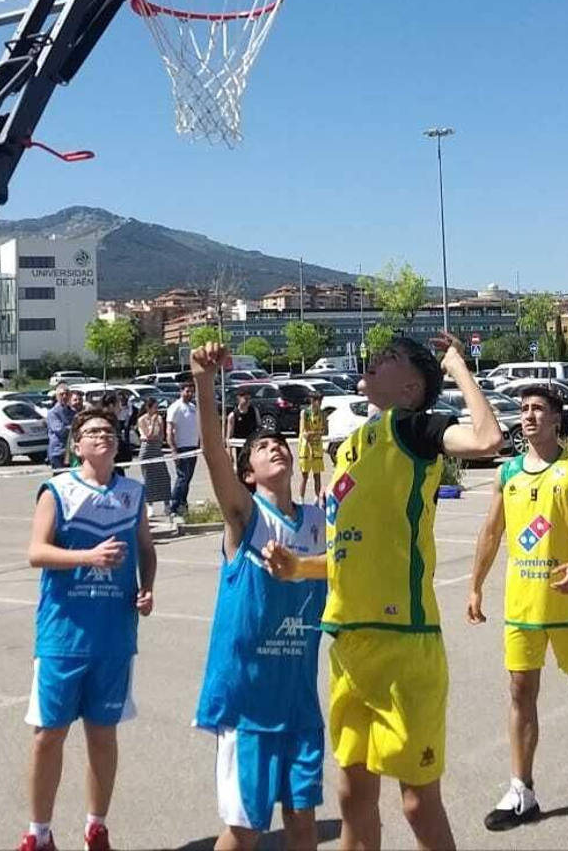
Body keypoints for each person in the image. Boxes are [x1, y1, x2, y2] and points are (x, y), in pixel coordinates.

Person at [264, 332, 504, 851]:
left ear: (412, 387)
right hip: (348, 643)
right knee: (352, 797)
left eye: (391, 360)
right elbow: (349, 554)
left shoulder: (413, 428)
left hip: (404, 644)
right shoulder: (349, 448)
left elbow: (488, 439)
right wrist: (298, 568)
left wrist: (457, 364)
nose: (376, 361)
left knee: (418, 805)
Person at [191, 343, 327, 850]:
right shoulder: (245, 517)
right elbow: (210, 452)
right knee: (244, 830)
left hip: (298, 700)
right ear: (247, 473)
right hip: (250, 700)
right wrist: (205, 383)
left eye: (279, 443)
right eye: (261, 447)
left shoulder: (318, 522)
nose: (275, 447)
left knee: (303, 822)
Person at [468, 384, 568, 830]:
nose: (529, 416)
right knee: (519, 692)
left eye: (538, 409)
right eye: (524, 409)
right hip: (522, 603)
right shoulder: (508, 472)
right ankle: (522, 790)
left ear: (556, 419)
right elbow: (492, 533)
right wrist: (475, 586)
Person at [20, 406, 156, 851]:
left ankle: (96, 827)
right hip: (63, 634)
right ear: (76, 444)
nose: (104, 437)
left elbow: (145, 549)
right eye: (93, 432)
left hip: (114, 636)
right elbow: (37, 552)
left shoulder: (132, 493)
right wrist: (88, 558)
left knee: (103, 733)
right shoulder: (57, 489)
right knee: (48, 736)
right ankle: (39, 833)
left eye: (110, 431)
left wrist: (146, 587)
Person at [166, 381, 201, 528]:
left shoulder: (193, 407)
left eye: (192, 391)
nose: (190, 394)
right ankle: (173, 505)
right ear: (181, 391)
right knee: (182, 478)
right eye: (187, 391)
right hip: (181, 448)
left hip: (193, 447)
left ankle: (183, 504)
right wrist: (173, 450)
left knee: (187, 479)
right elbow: (169, 430)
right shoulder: (175, 407)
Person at [134, 397, 170, 520]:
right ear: (148, 408)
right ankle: (150, 505)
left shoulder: (160, 419)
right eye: (154, 407)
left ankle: (166, 504)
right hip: (146, 450)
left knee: (163, 476)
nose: (156, 410)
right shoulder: (142, 420)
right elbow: (147, 436)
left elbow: (161, 436)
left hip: (157, 449)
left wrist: (157, 435)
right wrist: (153, 423)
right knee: (149, 478)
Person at [298, 392, 329, 505]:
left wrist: (315, 433)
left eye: (321, 400)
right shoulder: (305, 413)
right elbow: (304, 432)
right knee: (304, 475)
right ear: (312, 400)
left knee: (317, 475)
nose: (320, 403)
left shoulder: (322, 414)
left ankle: (317, 499)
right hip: (306, 447)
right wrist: (317, 433)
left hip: (317, 446)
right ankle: (301, 500)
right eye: (317, 400)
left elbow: (325, 430)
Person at [46, 387, 78, 471]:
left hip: (72, 452)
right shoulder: (52, 413)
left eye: (67, 394)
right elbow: (61, 431)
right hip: (58, 452)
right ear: (56, 397)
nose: (64, 396)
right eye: (61, 394)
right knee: (59, 479)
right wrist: (73, 427)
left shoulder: (73, 413)